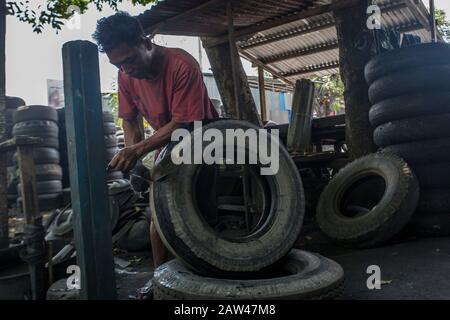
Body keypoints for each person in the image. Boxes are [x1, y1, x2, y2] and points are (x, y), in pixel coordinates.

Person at [93, 12, 219, 273]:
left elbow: (184, 123)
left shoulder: (182, 65)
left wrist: (138, 150)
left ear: (146, 42)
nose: (125, 70)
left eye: (129, 60)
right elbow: (129, 119)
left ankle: (208, 273)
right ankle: (161, 277)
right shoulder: (126, 74)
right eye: (118, 65)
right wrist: (134, 156)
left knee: (199, 210)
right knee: (159, 212)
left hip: (203, 142)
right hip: (165, 142)